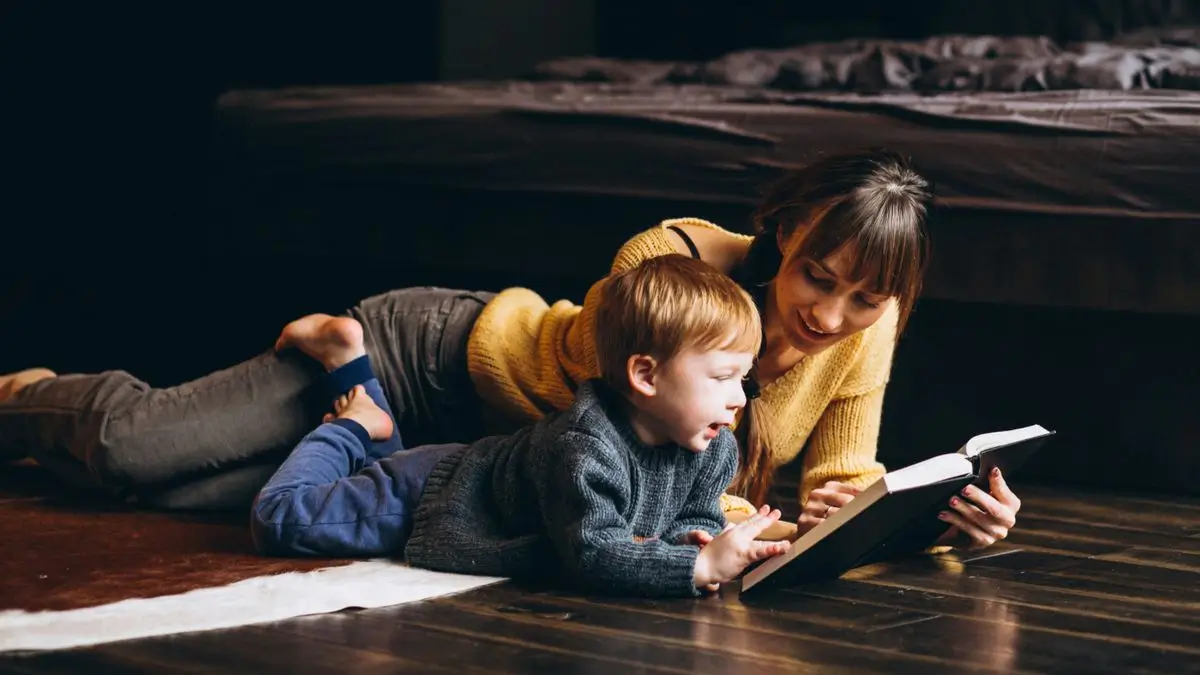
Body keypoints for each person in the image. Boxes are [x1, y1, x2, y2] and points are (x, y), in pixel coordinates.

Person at [0, 148, 1019, 551]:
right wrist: (741, 520)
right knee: (139, 449)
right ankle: (32, 395)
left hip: (456, 469)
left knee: (174, 503)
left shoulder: (863, 329)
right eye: (817, 278)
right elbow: (625, 449)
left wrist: (939, 518)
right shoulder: (664, 265)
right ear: (785, 231)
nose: (833, 316)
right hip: (429, 362)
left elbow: (847, 480)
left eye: (866, 298)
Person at [251, 255, 790, 597]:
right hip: (436, 495)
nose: (739, 399)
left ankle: (351, 367)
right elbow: (593, 554)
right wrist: (695, 567)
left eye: (743, 378)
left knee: (369, 469)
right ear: (646, 375)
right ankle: (350, 425)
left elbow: (684, 521)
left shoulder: (711, 445)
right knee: (279, 520)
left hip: (471, 469)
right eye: (723, 377)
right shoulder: (586, 447)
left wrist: (710, 539)